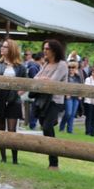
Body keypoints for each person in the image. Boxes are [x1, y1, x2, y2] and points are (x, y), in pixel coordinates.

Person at [34, 39, 68, 170]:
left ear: (54, 50)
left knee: (47, 127)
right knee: (45, 128)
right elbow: (35, 78)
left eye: (47, 48)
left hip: (55, 101)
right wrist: (43, 79)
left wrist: (42, 80)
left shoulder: (62, 65)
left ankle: (54, 163)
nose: (44, 51)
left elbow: (52, 82)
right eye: (44, 48)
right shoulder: (46, 64)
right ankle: (52, 160)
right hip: (43, 101)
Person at [58, 62, 83, 134]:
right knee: (68, 113)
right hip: (68, 97)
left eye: (73, 67)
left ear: (75, 69)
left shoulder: (78, 77)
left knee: (73, 114)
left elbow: (81, 87)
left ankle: (70, 130)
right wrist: (66, 94)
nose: (71, 69)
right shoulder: (66, 77)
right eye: (69, 67)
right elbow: (63, 86)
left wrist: (80, 95)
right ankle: (62, 127)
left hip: (76, 97)